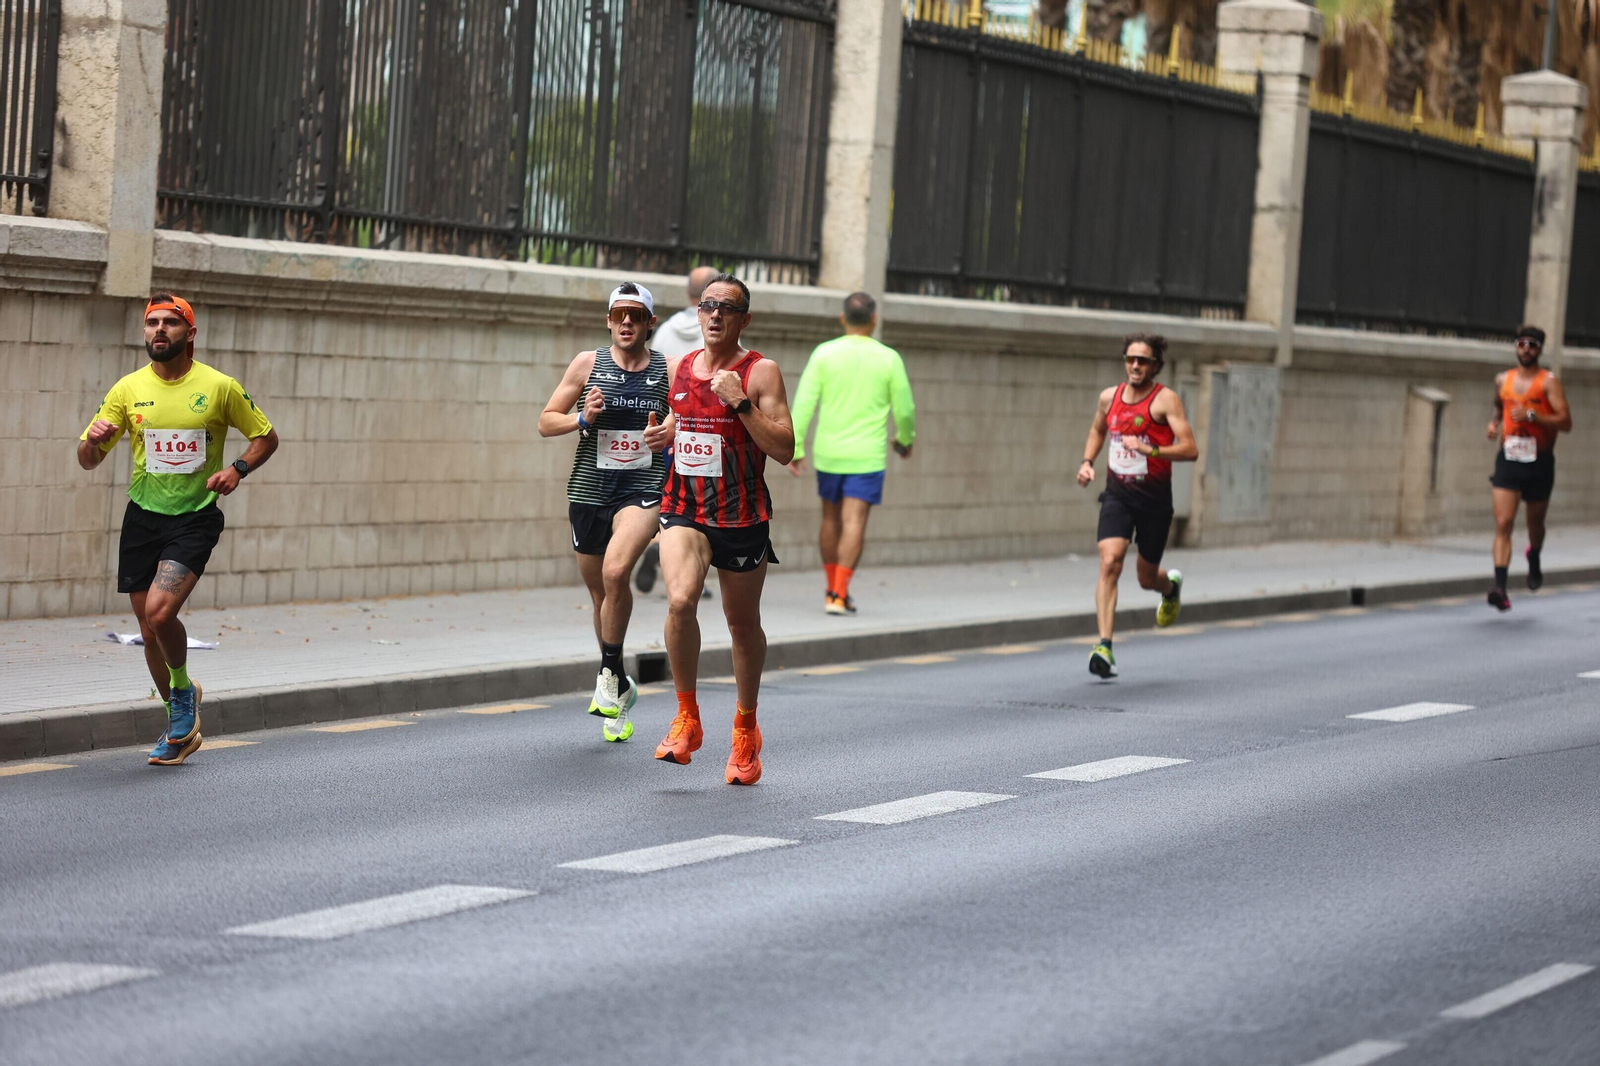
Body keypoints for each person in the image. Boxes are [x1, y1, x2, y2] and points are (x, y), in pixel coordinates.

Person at [77, 294, 278, 766]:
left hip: (195, 516)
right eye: (151, 323)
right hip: (143, 517)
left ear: (191, 333)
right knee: (149, 632)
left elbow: (265, 437)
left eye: (170, 322)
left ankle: (183, 693)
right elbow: (86, 460)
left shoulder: (219, 387)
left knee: (161, 613)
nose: (159, 330)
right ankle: (178, 728)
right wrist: (93, 440)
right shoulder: (127, 390)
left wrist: (237, 470)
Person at [646, 273, 795, 785]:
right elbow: (671, 428)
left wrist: (741, 403)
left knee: (741, 625)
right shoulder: (680, 368)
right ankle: (687, 716)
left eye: (726, 309)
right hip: (684, 508)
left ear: (743, 319)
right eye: (708, 306)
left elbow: (784, 448)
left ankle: (746, 727)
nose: (714, 315)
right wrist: (661, 436)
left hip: (741, 516)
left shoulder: (760, 372)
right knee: (681, 600)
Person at [538, 283, 671, 741]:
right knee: (601, 595)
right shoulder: (587, 363)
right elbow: (545, 421)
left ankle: (608, 678)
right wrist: (581, 419)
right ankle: (618, 690)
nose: (627, 322)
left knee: (617, 574)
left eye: (636, 315)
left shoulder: (667, 370)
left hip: (643, 489)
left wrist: (668, 431)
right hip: (589, 492)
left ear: (650, 322)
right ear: (609, 321)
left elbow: (688, 420)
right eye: (620, 315)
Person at [1075, 333, 1198, 679]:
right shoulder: (1109, 398)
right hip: (1118, 496)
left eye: (1142, 360)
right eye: (1130, 359)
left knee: (1146, 578)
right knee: (1110, 561)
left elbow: (1190, 449)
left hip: (1155, 501)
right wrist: (1087, 461)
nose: (1135, 365)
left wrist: (1153, 451)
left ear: (1155, 365)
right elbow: (1098, 430)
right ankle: (1104, 646)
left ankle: (1169, 587)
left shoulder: (1165, 401)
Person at [788, 291, 915, 614]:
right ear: (874, 319)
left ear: (843, 318)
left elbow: (803, 403)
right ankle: (839, 593)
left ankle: (832, 589)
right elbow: (905, 409)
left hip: (829, 453)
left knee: (830, 518)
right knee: (854, 520)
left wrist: (796, 446)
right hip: (867, 456)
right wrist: (905, 439)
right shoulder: (889, 358)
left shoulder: (823, 354)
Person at [634, 266, 719, 595]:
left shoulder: (666, 330)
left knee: (673, 500)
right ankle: (692, 573)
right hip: (709, 432)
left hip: (668, 429)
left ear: (687, 293)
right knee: (703, 504)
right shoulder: (720, 328)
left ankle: (662, 546)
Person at [1486, 324, 1571, 611]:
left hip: (1540, 461)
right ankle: (1500, 588)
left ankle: (1534, 556)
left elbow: (1565, 422)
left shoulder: (1548, 383)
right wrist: (1494, 423)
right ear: (1515, 346)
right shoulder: (1503, 379)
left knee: (1535, 524)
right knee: (1503, 523)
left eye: (1532, 344)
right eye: (1521, 343)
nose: (1526, 349)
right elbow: (1498, 405)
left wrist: (1533, 414)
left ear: (1539, 349)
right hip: (1509, 458)